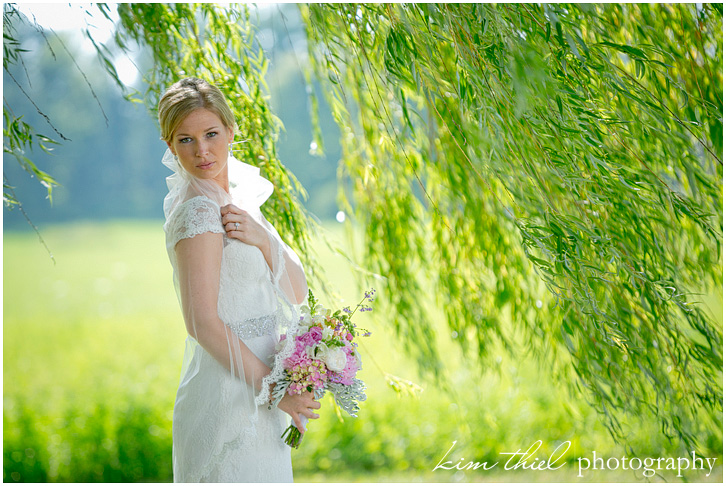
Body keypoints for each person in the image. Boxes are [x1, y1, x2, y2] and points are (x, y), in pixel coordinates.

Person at [158, 77, 320, 482]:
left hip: (264, 385)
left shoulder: (241, 204)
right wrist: (276, 389)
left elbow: (297, 291)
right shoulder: (197, 211)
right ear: (170, 146)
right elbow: (201, 323)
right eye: (185, 140)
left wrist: (264, 239)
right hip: (230, 391)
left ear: (230, 131)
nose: (202, 150)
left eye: (211, 134)